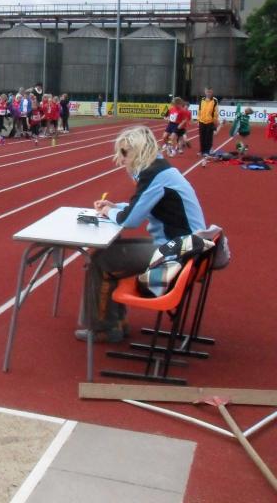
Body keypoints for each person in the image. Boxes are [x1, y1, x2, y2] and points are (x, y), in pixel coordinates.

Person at [77, 125, 206, 343]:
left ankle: (104, 328)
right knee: (109, 251)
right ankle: (116, 322)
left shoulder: (153, 174)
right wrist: (114, 207)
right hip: (187, 248)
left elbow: (130, 220)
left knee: (100, 259)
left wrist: (108, 211)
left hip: (178, 253)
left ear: (138, 150)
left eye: (124, 153)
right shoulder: (161, 169)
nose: (121, 159)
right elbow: (140, 207)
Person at [197, 87, 220, 157]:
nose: (208, 93)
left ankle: (207, 151)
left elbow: (216, 112)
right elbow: (199, 110)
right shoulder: (202, 100)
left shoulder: (214, 101)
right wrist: (198, 120)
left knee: (208, 138)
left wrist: (215, 122)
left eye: (210, 92)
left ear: (212, 92)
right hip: (201, 121)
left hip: (210, 122)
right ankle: (202, 151)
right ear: (205, 92)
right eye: (207, 92)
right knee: (202, 137)